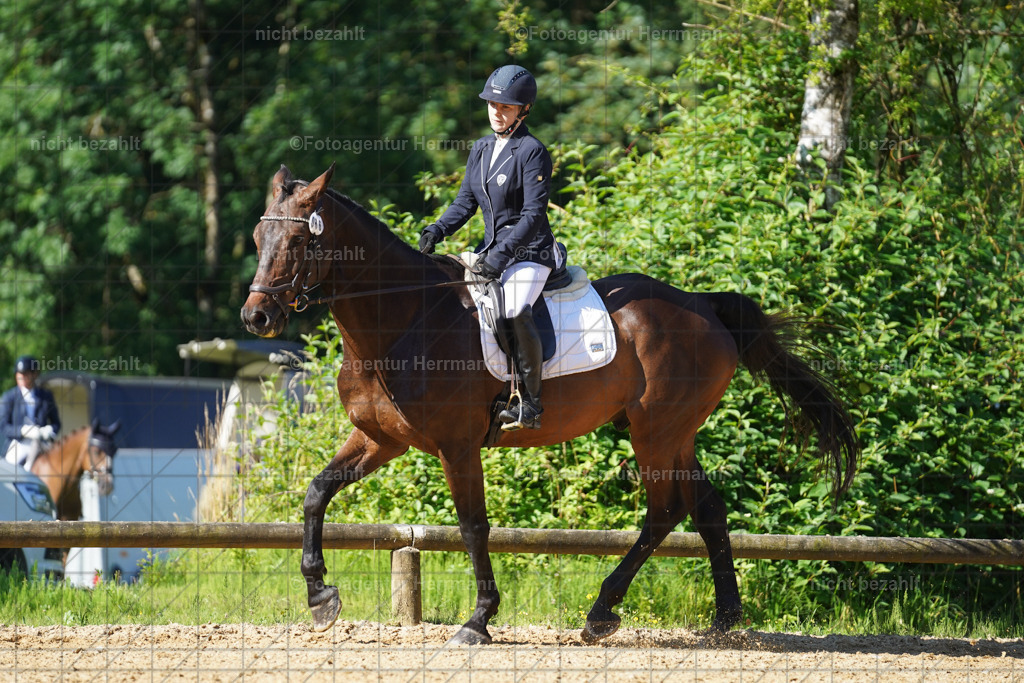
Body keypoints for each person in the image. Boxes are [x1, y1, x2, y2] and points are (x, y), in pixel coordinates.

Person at [419, 65, 561, 431]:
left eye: (506, 107)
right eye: (492, 105)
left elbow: (532, 215)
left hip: (531, 252)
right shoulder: (481, 148)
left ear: (523, 110)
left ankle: (531, 403)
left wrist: (498, 258)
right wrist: (437, 229)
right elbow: (465, 202)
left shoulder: (533, 151)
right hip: (490, 251)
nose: (497, 112)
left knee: (513, 309)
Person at [1, 355, 61, 470]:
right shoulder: (9, 397)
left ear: (34, 374)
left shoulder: (46, 396)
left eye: (25, 374)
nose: (21, 377)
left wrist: (49, 431)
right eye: (19, 374)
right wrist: (22, 431)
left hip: (41, 443)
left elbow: (56, 423)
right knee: (9, 469)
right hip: (18, 444)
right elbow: (3, 426)